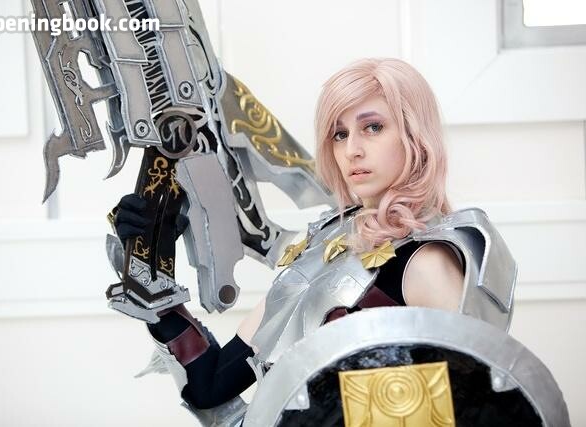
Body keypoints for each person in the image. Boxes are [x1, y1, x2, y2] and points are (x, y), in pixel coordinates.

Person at [113, 58, 507, 414]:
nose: (352, 150)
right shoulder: (323, 246)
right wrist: (152, 259)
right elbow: (211, 385)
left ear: (415, 135)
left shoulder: (427, 261)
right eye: (339, 134)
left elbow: (479, 407)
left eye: (373, 127)